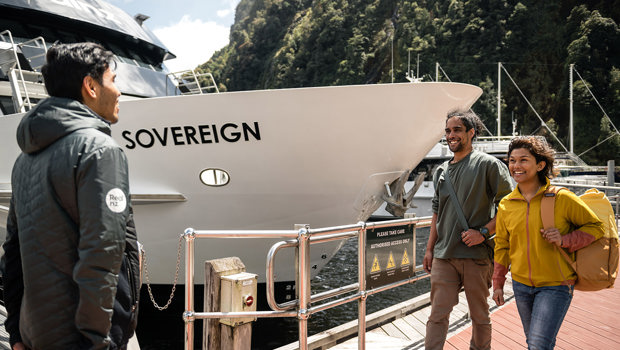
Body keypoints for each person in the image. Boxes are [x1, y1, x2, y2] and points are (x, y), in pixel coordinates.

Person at [1, 42, 141, 350]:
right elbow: (102, 251)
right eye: (112, 81)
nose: (118, 92)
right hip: (83, 337)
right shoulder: (100, 150)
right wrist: (96, 340)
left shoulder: (24, 160)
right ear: (91, 86)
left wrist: (16, 334)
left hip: (36, 332)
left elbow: (12, 252)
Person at [492, 136, 603, 349]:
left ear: (540, 165)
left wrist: (565, 240)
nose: (516, 166)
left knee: (537, 344)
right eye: (512, 160)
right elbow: (502, 245)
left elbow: (596, 227)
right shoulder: (507, 204)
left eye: (523, 160)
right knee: (536, 343)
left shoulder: (561, 198)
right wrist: (497, 283)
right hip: (521, 285)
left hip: (556, 285)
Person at [423, 110, 513, 350]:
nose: (451, 135)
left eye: (457, 130)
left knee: (479, 316)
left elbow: (509, 207)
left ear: (471, 133)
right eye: (448, 131)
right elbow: (436, 213)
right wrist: (429, 249)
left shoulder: (489, 165)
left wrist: (483, 232)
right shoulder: (441, 171)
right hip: (444, 255)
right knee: (437, 315)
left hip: (477, 255)